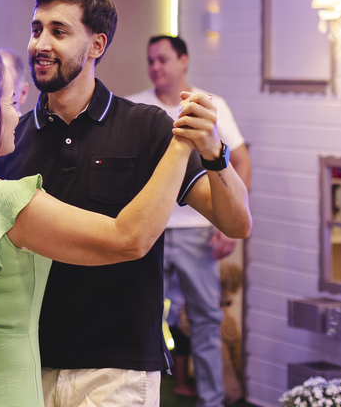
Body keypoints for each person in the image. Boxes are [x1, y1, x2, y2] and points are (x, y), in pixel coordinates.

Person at [0, 0, 252, 407]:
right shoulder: (8, 140)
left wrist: (215, 154)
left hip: (117, 365)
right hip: (24, 364)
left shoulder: (146, 128)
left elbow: (236, 223)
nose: (40, 44)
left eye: (58, 31)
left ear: (96, 45)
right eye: (36, 29)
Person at [127, 35, 252, 406]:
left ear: (183, 61)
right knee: (141, 317)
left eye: (163, 59)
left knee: (205, 320)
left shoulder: (208, 105)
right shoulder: (136, 107)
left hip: (197, 231)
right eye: (150, 60)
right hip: (149, 230)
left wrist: (226, 222)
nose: (155, 67)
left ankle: (211, 400)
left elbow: (240, 161)